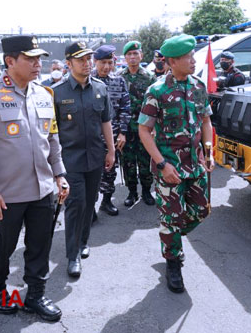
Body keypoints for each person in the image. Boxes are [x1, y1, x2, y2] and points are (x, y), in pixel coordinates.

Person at [0, 35, 68, 321]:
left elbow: (52, 138)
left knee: (40, 245)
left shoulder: (43, 93)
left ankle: (35, 294)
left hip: (42, 189)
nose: (39, 64)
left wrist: (59, 174)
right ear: (10, 61)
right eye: (31, 59)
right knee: (1, 248)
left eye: (40, 58)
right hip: (5, 193)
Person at [138, 34, 215, 293]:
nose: (193, 60)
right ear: (172, 61)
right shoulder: (157, 90)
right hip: (169, 167)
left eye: (193, 56)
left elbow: (205, 121)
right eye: (188, 57)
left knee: (202, 211)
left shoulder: (198, 86)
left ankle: (170, 239)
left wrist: (209, 151)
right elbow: (144, 131)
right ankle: (173, 262)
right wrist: (161, 165)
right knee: (171, 218)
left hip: (196, 165)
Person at [53, 41, 115, 278]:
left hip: (95, 157)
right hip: (70, 159)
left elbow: (105, 121)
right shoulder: (57, 93)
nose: (87, 63)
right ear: (68, 64)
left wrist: (110, 150)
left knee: (90, 202)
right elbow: (51, 131)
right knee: (75, 204)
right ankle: (73, 255)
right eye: (81, 60)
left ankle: (84, 241)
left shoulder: (100, 88)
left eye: (89, 59)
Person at [91, 45, 130, 216]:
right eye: (102, 63)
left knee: (110, 170)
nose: (106, 67)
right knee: (91, 173)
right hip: (90, 137)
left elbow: (125, 108)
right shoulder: (86, 80)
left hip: (112, 136)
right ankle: (89, 208)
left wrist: (122, 132)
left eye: (110, 62)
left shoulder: (118, 81)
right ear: (95, 62)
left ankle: (106, 202)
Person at [119, 41, 155, 206]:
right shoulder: (119, 77)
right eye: (129, 54)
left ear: (141, 56)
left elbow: (156, 104)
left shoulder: (149, 77)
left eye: (135, 54)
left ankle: (147, 191)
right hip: (126, 129)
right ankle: (132, 192)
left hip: (144, 129)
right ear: (125, 57)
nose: (132, 57)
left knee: (145, 161)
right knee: (128, 162)